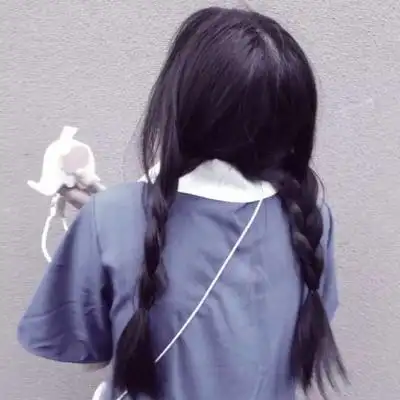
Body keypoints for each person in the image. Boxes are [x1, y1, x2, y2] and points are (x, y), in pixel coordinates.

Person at [17, 6, 346, 400]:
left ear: (180, 101)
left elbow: (89, 353)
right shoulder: (312, 221)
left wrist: (111, 223)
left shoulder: (111, 218)